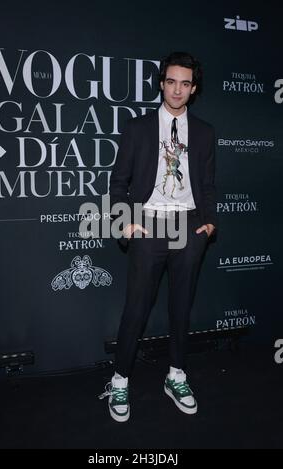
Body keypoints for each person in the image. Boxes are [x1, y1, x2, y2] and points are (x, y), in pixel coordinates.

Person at [99, 51, 216, 422]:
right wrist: (128, 223)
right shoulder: (138, 128)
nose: (177, 89)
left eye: (185, 83)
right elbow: (118, 184)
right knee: (137, 308)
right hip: (148, 224)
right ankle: (120, 379)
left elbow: (209, 186)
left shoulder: (205, 132)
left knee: (181, 307)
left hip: (188, 227)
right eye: (171, 81)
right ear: (162, 83)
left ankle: (176, 375)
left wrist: (208, 223)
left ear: (193, 88)